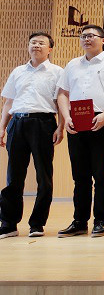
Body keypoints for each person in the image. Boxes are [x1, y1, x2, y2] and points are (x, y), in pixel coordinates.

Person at [55, 25, 104, 238]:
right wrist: (67, 117)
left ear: (103, 40)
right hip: (75, 121)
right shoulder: (72, 64)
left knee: (101, 174)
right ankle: (79, 221)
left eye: (91, 36)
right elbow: (62, 94)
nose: (86, 39)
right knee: (80, 175)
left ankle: (100, 221)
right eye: (83, 36)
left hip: (101, 120)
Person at [0, 32, 63, 239]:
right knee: (13, 176)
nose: (36, 45)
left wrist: (60, 127)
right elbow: (8, 103)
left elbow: (61, 103)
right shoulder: (18, 71)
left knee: (44, 176)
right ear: (28, 46)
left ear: (49, 49)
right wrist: (2, 128)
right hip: (17, 123)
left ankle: (37, 224)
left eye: (41, 43)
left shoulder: (57, 72)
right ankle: (9, 223)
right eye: (33, 42)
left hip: (43, 123)